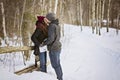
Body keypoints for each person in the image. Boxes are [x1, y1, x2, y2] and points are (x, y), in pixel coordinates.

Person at [42, 13, 63, 80]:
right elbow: (57, 36)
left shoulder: (51, 26)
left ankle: (60, 78)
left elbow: (51, 39)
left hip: (53, 48)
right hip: (57, 47)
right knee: (57, 64)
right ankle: (60, 77)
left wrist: (44, 43)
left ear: (50, 19)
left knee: (55, 65)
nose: (46, 19)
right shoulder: (57, 25)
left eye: (47, 18)